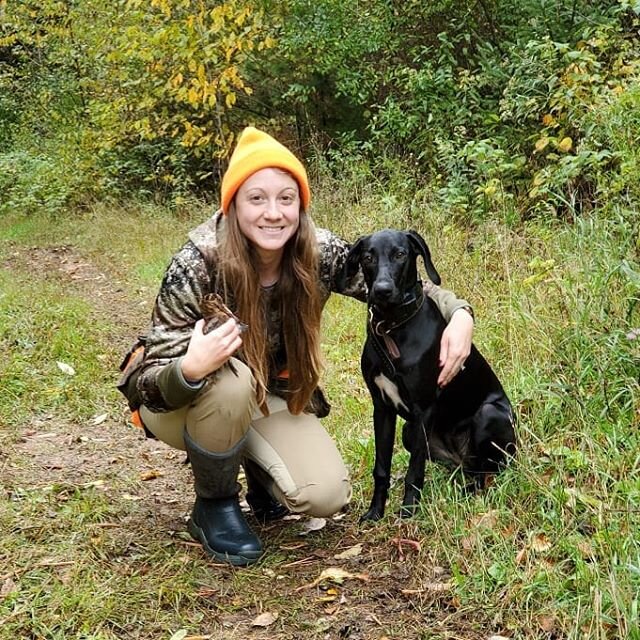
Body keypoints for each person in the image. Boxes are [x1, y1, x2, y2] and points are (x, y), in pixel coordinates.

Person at [130, 127, 475, 566]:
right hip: (181, 402)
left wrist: (460, 313)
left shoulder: (316, 251)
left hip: (264, 395)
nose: (273, 213)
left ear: (300, 205)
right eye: (256, 198)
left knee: (324, 494)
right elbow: (148, 380)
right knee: (230, 385)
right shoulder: (199, 260)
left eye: (286, 198)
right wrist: (190, 370)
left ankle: (259, 469)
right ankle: (214, 506)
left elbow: (401, 288)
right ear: (233, 203)